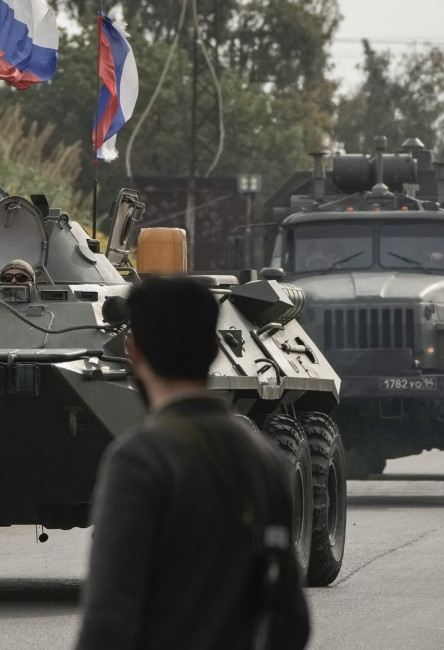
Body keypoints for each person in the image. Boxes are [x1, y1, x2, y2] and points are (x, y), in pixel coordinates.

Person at [76, 277, 309, 650]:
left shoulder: (140, 460)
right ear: (217, 349)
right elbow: (292, 620)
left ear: (132, 352)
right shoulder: (265, 459)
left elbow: (109, 617)